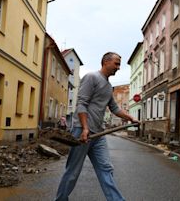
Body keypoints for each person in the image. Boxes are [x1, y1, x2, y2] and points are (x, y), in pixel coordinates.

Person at [55, 52, 138, 201]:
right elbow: (81, 103)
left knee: (106, 169)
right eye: (116, 63)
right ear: (106, 62)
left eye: (119, 64)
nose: (118, 67)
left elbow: (114, 108)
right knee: (73, 172)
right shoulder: (91, 77)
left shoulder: (108, 86)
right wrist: (85, 128)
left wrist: (130, 117)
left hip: (98, 135)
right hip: (82, 131)